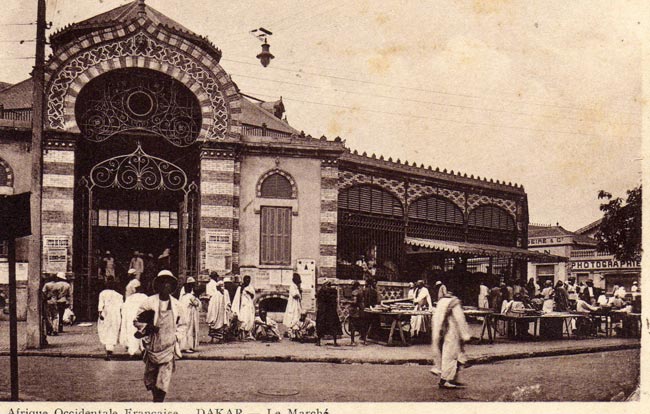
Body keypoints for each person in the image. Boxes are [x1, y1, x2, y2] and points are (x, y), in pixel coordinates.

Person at [134, 270, 187, 403]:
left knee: (163, 380)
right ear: (158, 285)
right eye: (163, 283)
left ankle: (159, 403)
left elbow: (183, 325)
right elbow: (136, 320)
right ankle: (156, 398)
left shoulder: (177, 305)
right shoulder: (148, 302)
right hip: (152, 346)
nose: (165, 286)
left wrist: (176, 337)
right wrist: (147, 327)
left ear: (172, 287)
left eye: (168, 283)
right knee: (150, 379)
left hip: (168, 347)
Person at [430, 290, 472, 389]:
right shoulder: (455, 303)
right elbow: (460, 319)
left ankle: (452, 379)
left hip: (439, 332)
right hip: (451, 332)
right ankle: (445, 380)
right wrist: (465, 335)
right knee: (451, 357)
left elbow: (435, 317)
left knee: (452, 356)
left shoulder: (440, 302)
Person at [97, 278, 123, 361]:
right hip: (116, 315)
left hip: (106, 314)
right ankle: (110, 349)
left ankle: (108, 350)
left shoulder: (103, 293)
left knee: (105, 331)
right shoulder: (119, 295)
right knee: (113, 331)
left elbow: (101, 305)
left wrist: (100, 313)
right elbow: (122, 307)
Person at [120, 285, 148, 357]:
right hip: (141, 318)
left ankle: (132, 352)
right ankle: (143, 349)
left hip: (130, 318)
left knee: (131, 334)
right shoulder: (145, 297)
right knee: (142, 333)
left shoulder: (129, 298)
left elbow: (124, 310)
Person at [315, 280, 342, 346]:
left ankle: (318, 342)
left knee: (320, 325)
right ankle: (335, 342)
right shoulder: (333, 291)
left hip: (322, 311)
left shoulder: (321, 291)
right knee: (333, 326)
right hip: (331, 311)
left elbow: (317, 299)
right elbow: (335, 301)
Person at [179, 277, 201, 353]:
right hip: (189, 315)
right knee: (189, 330)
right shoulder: (191, 297)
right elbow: (197, 304)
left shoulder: (183, 297)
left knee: (184, 330)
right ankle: (187, 346)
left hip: (183, 314)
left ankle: (183, 346)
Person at [231, 275, 256, 340]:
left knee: (250, 319)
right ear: (244, 280)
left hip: (249, 306)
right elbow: (237, 298)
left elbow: (253, 296)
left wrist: (249, 293)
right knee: (243, 319)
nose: (248, 281)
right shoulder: (240, 288)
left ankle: (247, 334)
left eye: (249, 280)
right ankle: (240, 335)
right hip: (243, 306)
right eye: (246, 280)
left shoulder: (250, 287)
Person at [348, 281, 366, 345]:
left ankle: (352, 341)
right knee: (361, 325)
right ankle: (364, 340)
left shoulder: (354, 292)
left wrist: (347, 301)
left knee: (353, 325)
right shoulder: (361, 291)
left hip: (355, 311)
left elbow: (354, 302)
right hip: (361, 309)